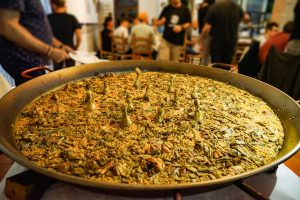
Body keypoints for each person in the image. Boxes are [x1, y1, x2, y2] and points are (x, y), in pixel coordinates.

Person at [0, 0, 71, 86]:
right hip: (27, 61)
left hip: (35, 62)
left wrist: (60, 45)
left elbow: (37, 30)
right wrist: (50, 51)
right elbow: (8, 26)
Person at [201, 0, 250, 64]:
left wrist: (202, 40)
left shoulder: (214, 7)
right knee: (227, 66)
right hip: (231, 44)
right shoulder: (236, 6)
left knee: (216, 66)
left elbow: (206, 28)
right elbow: (246, 18)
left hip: (217, 44)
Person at [48, 0, 81, 70]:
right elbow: (79, 36)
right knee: (72, 71)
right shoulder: (72, 18)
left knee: (58, 73)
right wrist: (76, 47)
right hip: (70, 50)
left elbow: (48, 35)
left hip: (56, 51)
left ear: (53, 5)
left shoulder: (48, 18)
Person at [197, 0, 215, 65]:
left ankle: (203, 72)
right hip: (209, 34)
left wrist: (200, 39)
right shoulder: (212, 8)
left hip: (202, 34)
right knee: (208, 58)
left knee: (205, 57)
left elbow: (200, 24)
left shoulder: (201, 8)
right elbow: (207, 26)